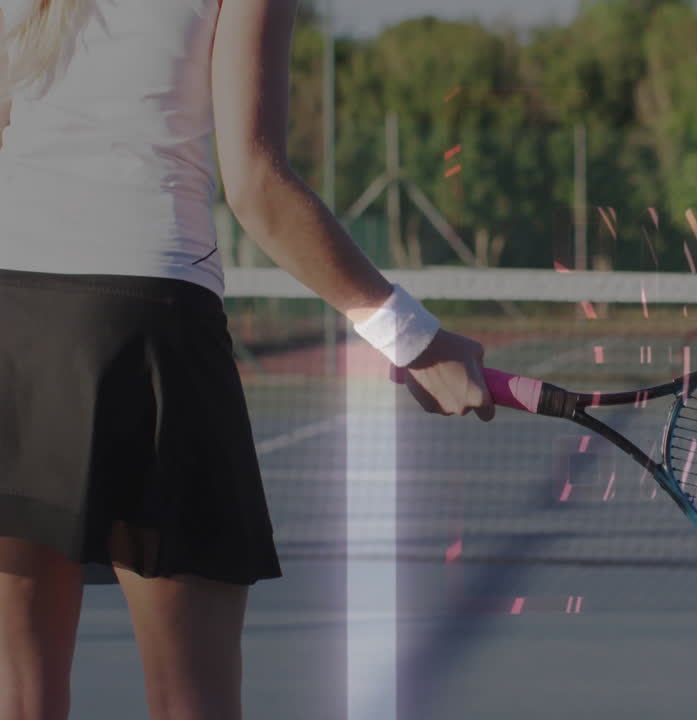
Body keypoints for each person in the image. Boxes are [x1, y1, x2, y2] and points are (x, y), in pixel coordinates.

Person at [0, 1, 492, 717]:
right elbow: (257, 186)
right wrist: (413, 340)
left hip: (11, 320)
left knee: (17, 699)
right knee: (188, 700)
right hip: (146, 327)